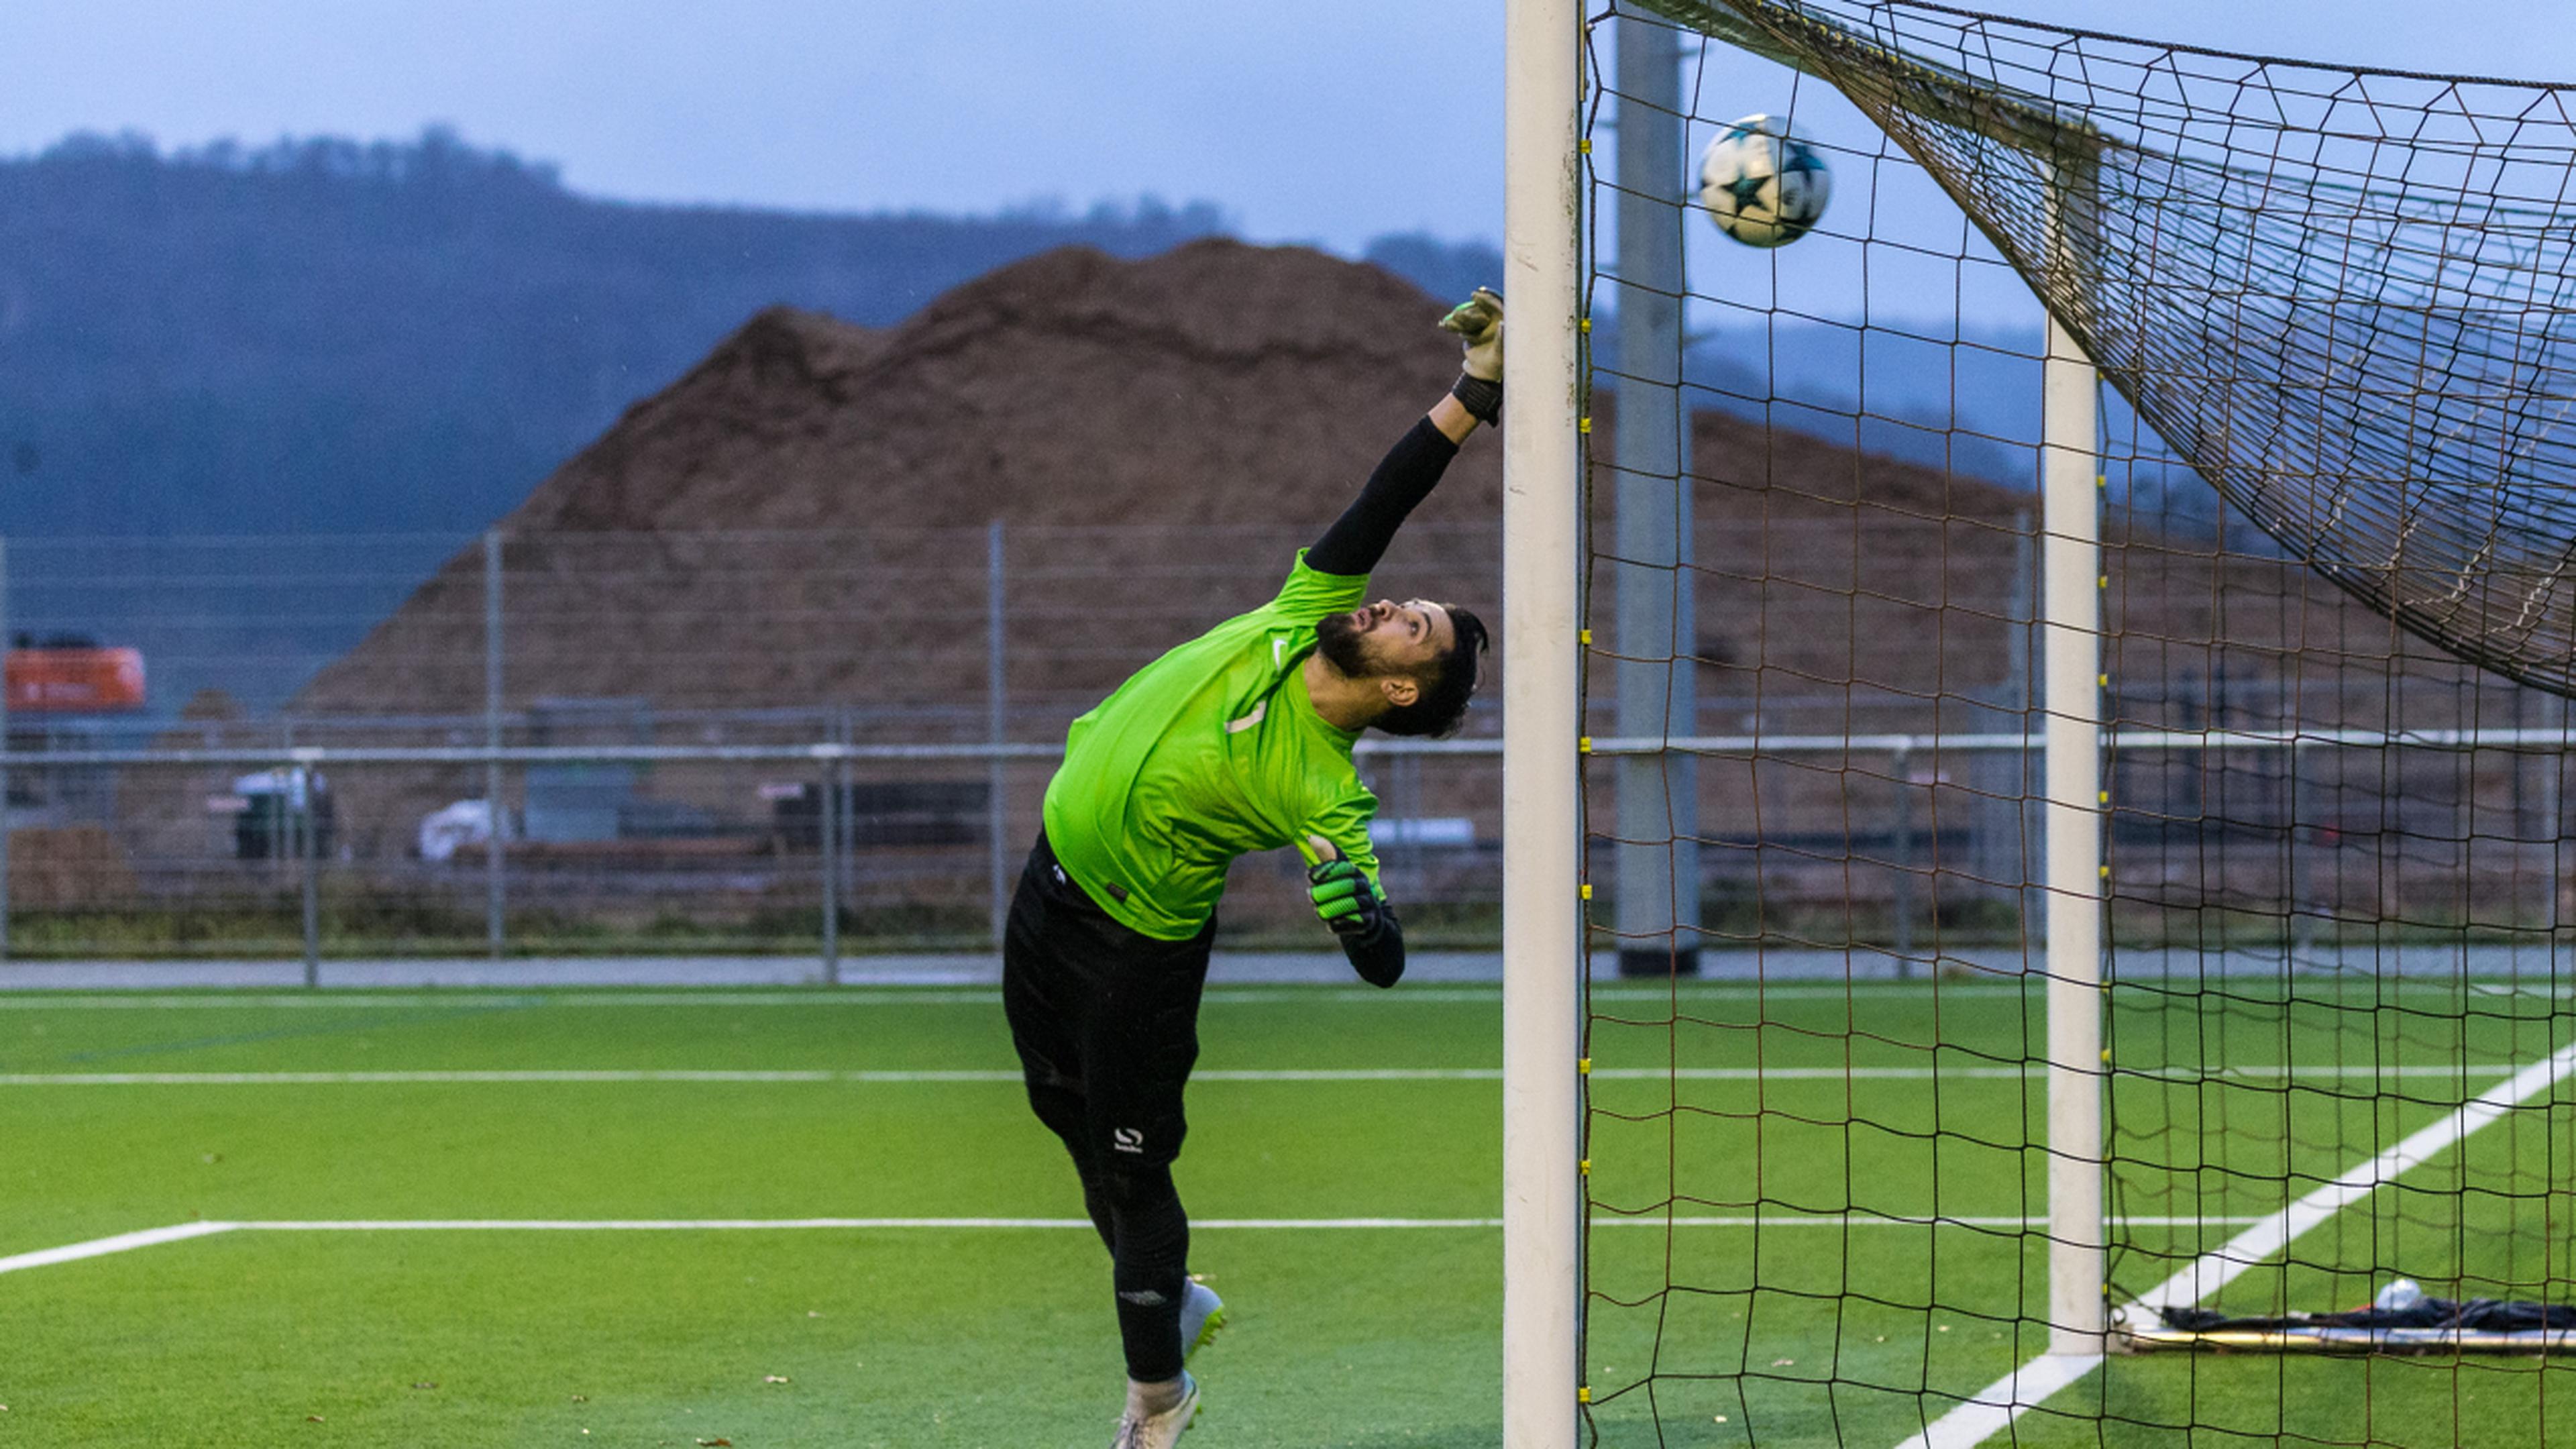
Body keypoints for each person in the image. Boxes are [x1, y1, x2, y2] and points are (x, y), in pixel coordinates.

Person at [1002, 288, 1503, 1447]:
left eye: (1412, 630)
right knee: (1065, 1122)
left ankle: (1156, 1406)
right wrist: (1478, 391)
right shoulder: (1305, 610)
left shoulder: (1324, 786)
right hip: (1051, 888)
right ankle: (1171, 1309)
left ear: (1397, 691)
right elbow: (1387, 497)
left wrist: (1358, 916)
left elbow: (1383, 962)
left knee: (1133, 1171)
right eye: (1410, 607)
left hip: (1138, 954)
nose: (1391, 605)